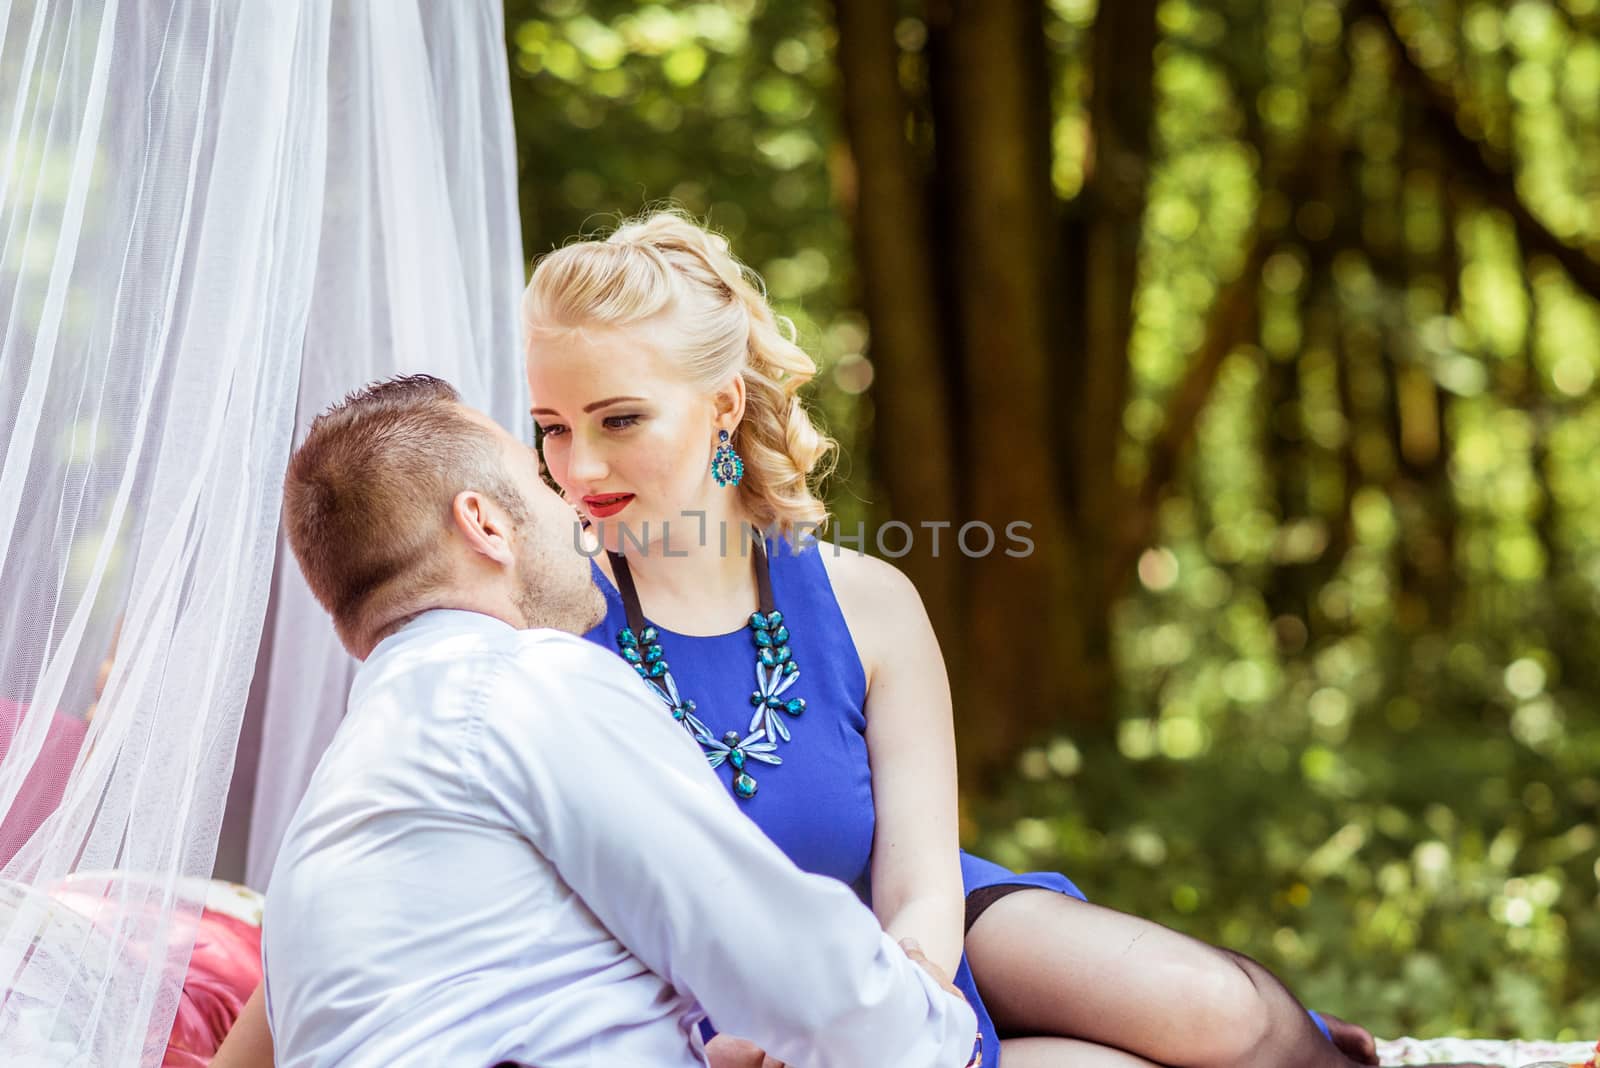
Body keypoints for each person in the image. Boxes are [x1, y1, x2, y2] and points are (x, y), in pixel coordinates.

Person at [518, 210, 1384, 1068]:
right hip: (736, 1017)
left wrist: (902, 1001)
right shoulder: (547, 632)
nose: (579, 468)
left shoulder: (870, 602)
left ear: (723, 406)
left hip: (919, 941)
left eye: (619, 420)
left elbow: (923, 883)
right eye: (553, 427)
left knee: (1219, 1011)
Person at [259, 375, 981, 1068]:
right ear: (485, 525)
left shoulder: (336, 800)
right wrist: (941, 1037)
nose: (572, 501)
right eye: (540, 482)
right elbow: (767, 948)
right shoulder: (525, 683)